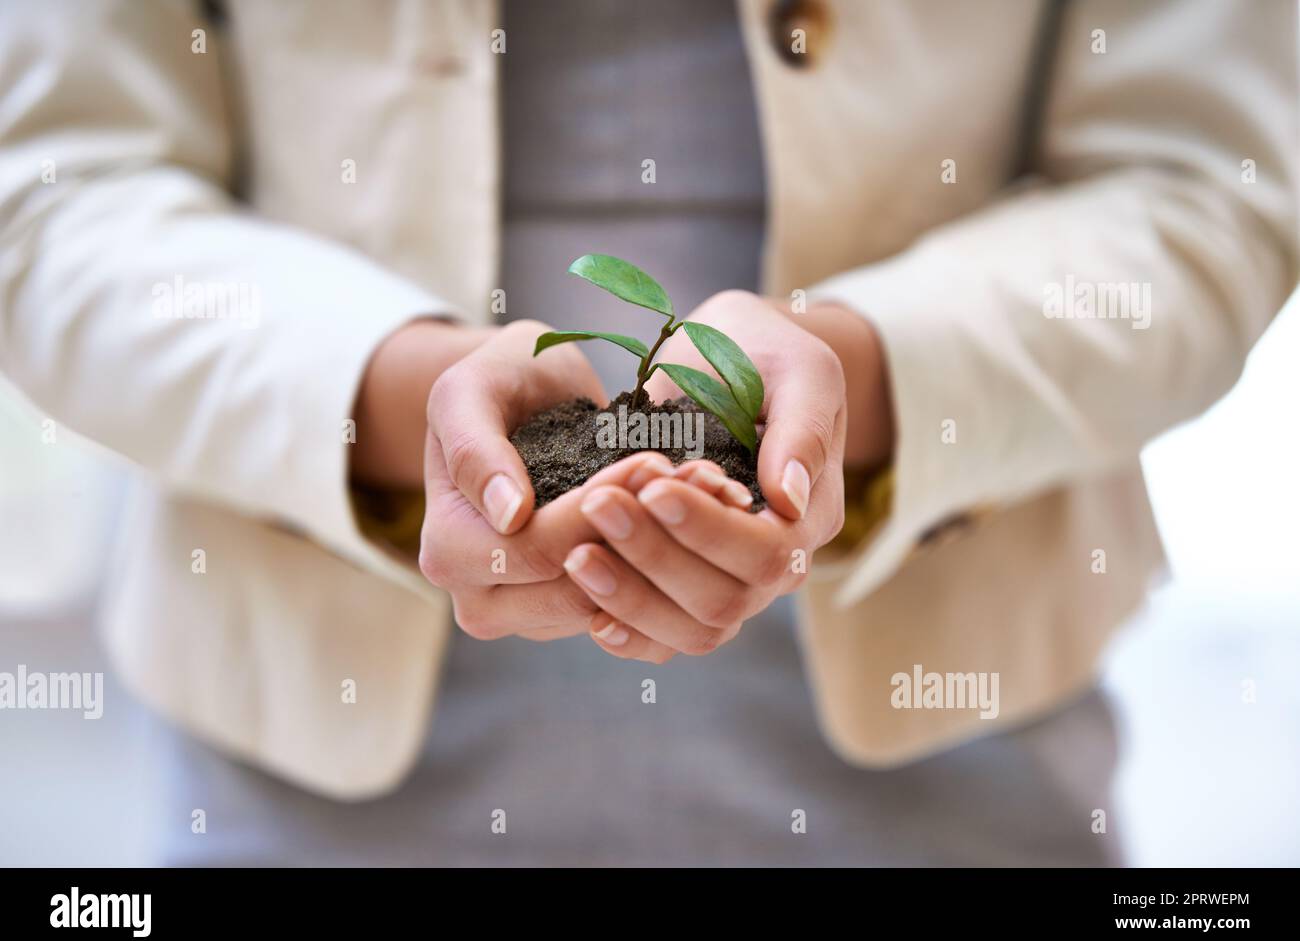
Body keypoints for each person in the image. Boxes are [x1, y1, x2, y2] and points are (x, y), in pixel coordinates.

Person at [0, 0, 1294, 865]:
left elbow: (1207, 187)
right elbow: (58, 198)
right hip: (304, 772)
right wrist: (395, 391)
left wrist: (870, 373)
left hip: (957, 761)